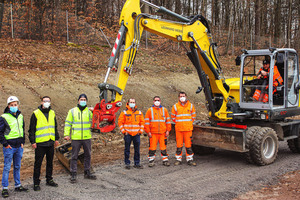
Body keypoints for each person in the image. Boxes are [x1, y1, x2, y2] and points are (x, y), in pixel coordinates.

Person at [28, 96, 60, 191]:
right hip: (40, 144)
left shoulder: (52, 112)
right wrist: (32, 141)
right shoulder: (36, 113)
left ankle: (49, 179)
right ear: (41, 102)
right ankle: (36, 183)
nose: (47, 103)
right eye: (45, 101)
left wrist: (56, 139)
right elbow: (31, 129)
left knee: (50, 163)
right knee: (38, 164)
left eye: (48, 101)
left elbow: (55, 126)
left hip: (50, 142)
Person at [64, 94, 96, 183]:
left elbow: (96, 120)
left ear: (86, 101)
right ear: (78, 100)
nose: (83, 101)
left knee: (88, 155)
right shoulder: (72, 111)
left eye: (84, 99)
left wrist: (95, 112)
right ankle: (73, 173)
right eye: (81, 99)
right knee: (74, 156)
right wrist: (66, 134)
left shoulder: (89, 111)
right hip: (76, 137)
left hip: (87, 137)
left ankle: (87, 172)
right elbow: (68, 123)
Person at [0, 96, 28, 198]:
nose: (14, 106)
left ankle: (18, 185)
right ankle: (5, 188)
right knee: (7, 167)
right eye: (12, 105)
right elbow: (0, 132)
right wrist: (5, 144)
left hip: (19, 146)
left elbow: (22, 129)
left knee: (17, 166)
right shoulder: (4, 117)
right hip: (9, 147)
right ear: (8, 106)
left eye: (15, 105)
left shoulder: (20, 116)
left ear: (18, 105)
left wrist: (22, 142)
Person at [144, 96, 171, 167]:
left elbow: (168, 121)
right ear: (153, 101)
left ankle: (165, 160)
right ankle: (151, 161)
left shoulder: (164, 110)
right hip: (153, 133)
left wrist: (168, 130)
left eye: (158, 100)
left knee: (163, 147)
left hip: (162, 133)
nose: (157, 101)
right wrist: (148, 132)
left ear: (160, 101)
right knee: (152, 148)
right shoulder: (150, 110)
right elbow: (146, 122)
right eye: (155, 100)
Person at [118, 98, 145, 169]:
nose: (132, 103)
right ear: (128, 103)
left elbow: (142, 122)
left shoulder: (139, 112)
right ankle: (127, 163)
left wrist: (140, 131)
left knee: (137, 149)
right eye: (131, 102)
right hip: (128, 134)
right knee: (127, 149)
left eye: (133, 102)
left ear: (135, 103)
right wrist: (124, 131)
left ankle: (137, 163)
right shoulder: (124, 112)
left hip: (136, 134)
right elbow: (120, 122)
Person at [171, 92, 196, 166]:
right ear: (178, 97)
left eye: (183, 96)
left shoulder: (191, 106)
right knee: (179, 145)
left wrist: (187, 123)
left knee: (188, 145)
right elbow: (173, 117)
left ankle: (190, 159)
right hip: (179, 129)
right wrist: (179, 123)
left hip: (188, 129)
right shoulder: (175, 106)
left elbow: (193, 117)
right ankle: (178, 159)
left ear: (186, 97)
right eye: (181, 96)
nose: (182, 97)